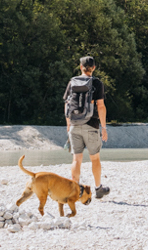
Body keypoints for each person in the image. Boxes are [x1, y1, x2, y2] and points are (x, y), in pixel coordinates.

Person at [65, 56, 110, 199]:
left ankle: (74, 191)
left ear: (80, 67)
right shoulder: (97, 83)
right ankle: (98, 188)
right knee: (95, 158)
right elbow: (101, 106)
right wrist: (104, 128)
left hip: (74, 124)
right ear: (94, 68)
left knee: (76, 159)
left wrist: (68, 124)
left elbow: (66, 104)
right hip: (91, 125)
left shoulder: (72, 82)